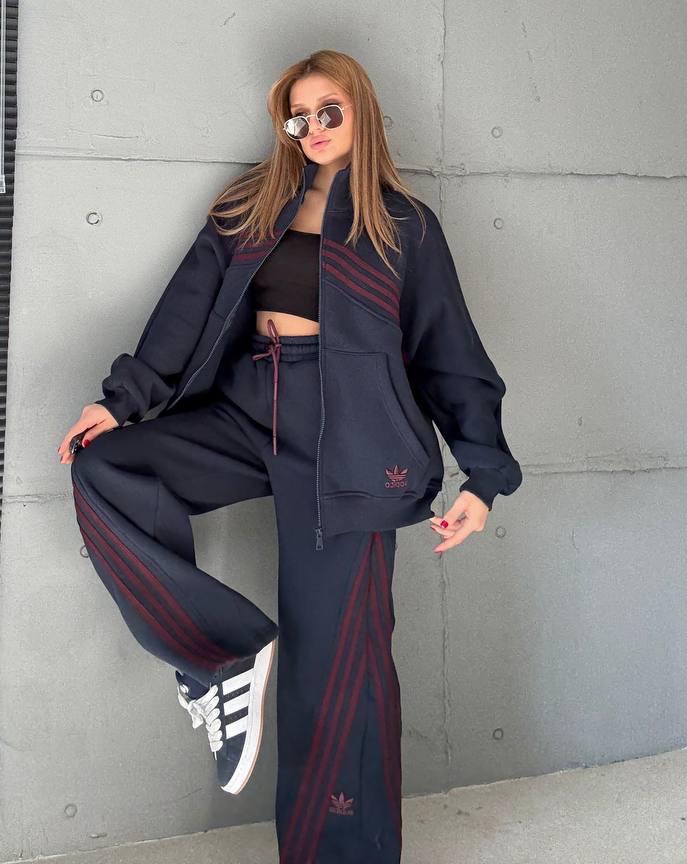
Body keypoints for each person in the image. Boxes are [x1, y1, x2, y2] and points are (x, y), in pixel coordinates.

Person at [57, 48, 523, 864]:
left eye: (327, 110)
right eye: (297, 117)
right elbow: (182, 313)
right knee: (108, 470)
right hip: (250, 410)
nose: (312, 128)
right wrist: (119, 401)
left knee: (337, 665)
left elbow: (449, 353)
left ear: (361, 110)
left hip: (353, 447)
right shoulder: (252, 206)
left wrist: (483, 477)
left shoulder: (402, 226)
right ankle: (222, 654)